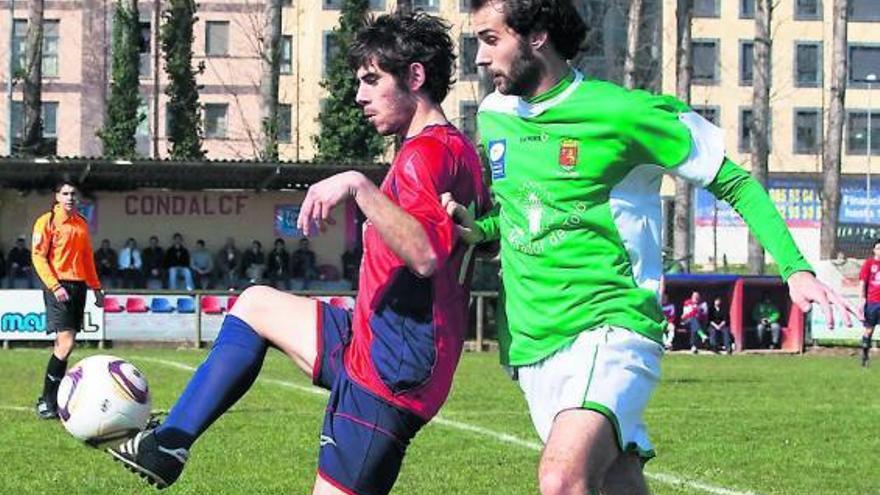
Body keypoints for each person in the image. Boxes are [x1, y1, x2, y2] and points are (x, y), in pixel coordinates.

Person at [443, 1, 859, 493]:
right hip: (532, 341)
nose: (478, 59)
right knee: (616, 481)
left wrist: (794, 267)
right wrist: (481, 229)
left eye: (491, 41)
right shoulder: (494, 116)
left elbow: (735, 183)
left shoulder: (623, 113)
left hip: (609, 327)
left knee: (561, 478)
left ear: (536, 36)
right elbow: (526, 211)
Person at [108, 11, 490, 494]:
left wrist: (358, 187)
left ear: (415, 76)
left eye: (372, 80)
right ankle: (168, 445)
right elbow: (479, 238)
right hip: (377, 342)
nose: (359, 96)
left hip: (389, 373)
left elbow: (426, 255)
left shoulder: (424, 155)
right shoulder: (457, 150)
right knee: (256, 305)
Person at [31, 179, 104, 419]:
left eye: (73, 193)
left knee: (63, 345)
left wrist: (96, 288)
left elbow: (87, 259)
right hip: (58, 285)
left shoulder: (81, 224)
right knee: (66, 343)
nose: (70, 197)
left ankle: (51, 399)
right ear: (57, 197)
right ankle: (47, 402)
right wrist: (54, 286)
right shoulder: (47, 222)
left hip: (79, 286)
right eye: (65, 193)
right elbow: (38, 257)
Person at [858, 239, 880, 367]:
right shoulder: (869, 263)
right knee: (869, 330)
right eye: (878, 248)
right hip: (872, 302)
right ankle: (865, 357)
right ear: (874, 250)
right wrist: (862, 299)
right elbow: (862, 282)